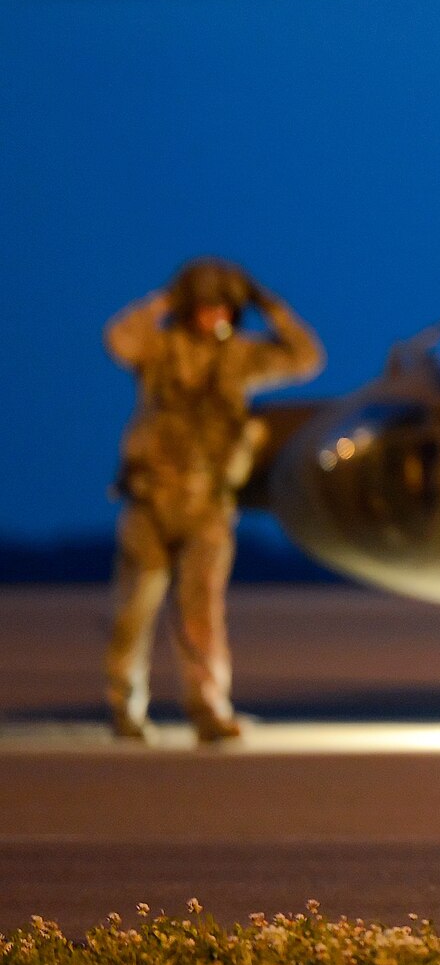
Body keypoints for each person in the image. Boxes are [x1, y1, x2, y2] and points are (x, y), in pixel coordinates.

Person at [103, 259, 324, 743]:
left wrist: (271, 307)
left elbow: (307, 358)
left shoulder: (241, 358)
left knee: (200, 612)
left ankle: (207, 706)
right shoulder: (160, 349)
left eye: (223, 308)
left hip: (208, 506)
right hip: (151, 502)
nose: (213, 317)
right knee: (134, 609)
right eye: (203, 307)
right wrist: (162, 300)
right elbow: (119, 338)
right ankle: (125, 705)